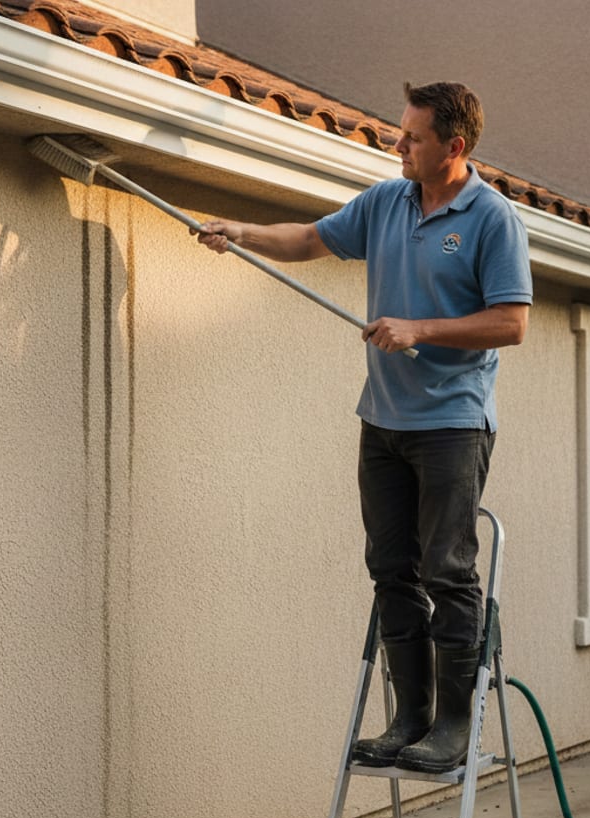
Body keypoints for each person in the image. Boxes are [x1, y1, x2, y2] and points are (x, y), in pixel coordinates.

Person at [194, 81, 532, 773]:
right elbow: (313, 238)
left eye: (411, 137)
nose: (397, 145)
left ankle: (453, 726)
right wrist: (242, 231)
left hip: (451, 424)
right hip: (382, 421)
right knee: (391, 570)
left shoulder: (493, 218)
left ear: (454, 146)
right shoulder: (386, 202)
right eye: (399, 132)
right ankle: (408, 718)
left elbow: (512, 321)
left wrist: (421, 327)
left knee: (448, 570)